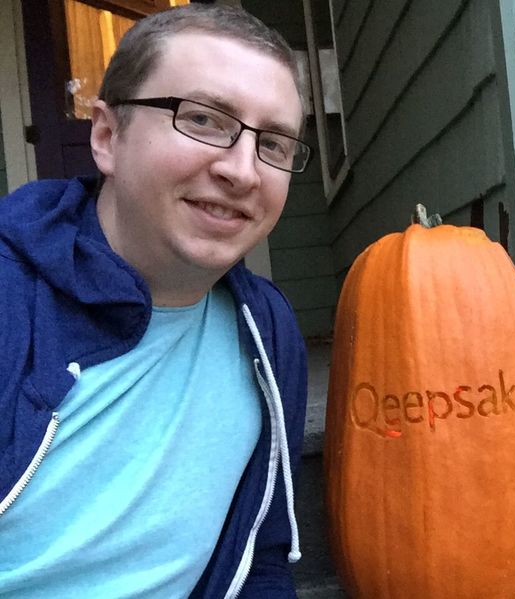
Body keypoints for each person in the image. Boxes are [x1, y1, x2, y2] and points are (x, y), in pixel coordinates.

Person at [0, 4, 310, 598]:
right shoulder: (11, 299)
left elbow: (260, 559)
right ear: (107, 137)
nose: (243, 171)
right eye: (204, 119)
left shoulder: (267, 331)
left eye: (273, 143)